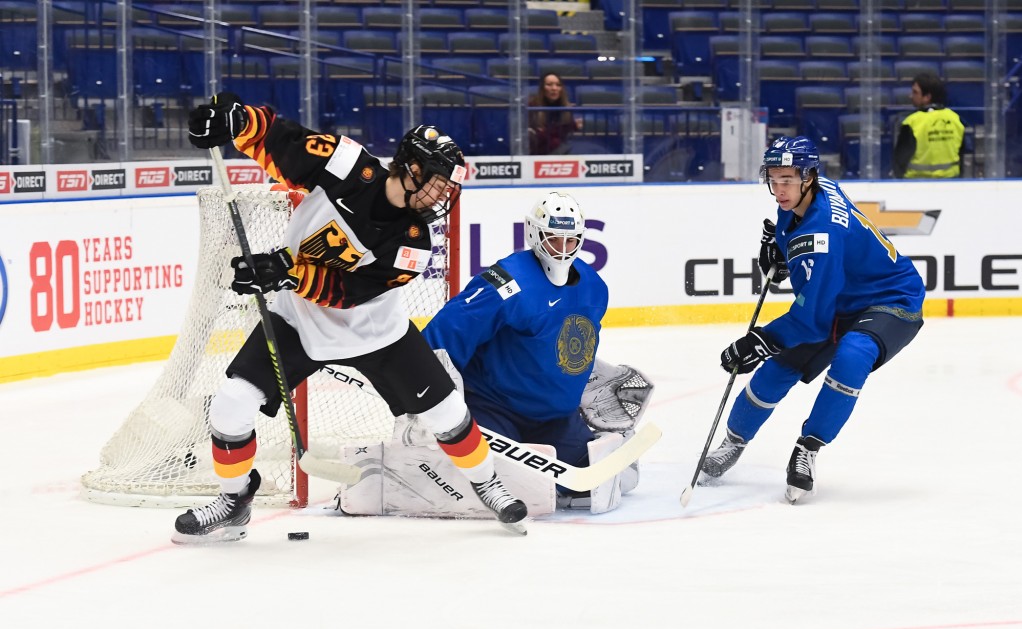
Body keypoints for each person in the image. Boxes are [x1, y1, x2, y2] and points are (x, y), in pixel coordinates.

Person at [172, 92, 527, 543]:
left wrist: (281, 271)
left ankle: (486, 482)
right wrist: (238, 119)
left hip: (376, 333)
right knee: (230, 406)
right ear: (412, 169)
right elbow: (281, 140)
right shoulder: (344, 164)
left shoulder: (414, 243)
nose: (444, 196)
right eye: (439, 183)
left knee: (447, 412)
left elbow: (347, 293)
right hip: (299, 321)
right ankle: (234, 500)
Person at [333, 192, 654, 517]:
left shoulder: (595, 287)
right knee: (503, 485)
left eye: (570, 241)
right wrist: (424, 398)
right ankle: (397, 476)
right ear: (533, 233)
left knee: (603, 480)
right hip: (494, 410)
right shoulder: (508, 282)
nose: (561, 248)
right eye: (553, 238)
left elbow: (567, 341)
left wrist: (590, 380)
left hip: (555, 418)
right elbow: (446, 333)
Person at [700, 136, 925, 503]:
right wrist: (782, 251)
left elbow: (811, 318)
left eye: (788, 179)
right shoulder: (816, 191)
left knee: (852, 355)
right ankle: (734, 440)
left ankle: (809, 447)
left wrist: (761, 339)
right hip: (841, 296)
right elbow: (804, 254)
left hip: (890, 298)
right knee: (776, 371)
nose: (779, 189)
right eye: (773, 179)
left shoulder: (822, 233)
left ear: (809, 176)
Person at [893, 72, 965, 179]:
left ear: (927, 97)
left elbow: (900, 161)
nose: (910, 96)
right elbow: (961, 155)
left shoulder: (912, 122)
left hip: (916, 185)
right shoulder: (955, 119)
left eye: (915, 92)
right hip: (950, 183)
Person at [528, 73, 583, 155]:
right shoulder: (532, 106)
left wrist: (573, 125)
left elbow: (563, 133)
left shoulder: (566, 108)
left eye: (558, 85)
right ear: (542, 88)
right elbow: (537, 135)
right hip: (537, 153)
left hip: (558, 151)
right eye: (549, 85)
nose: (554, 88)